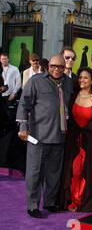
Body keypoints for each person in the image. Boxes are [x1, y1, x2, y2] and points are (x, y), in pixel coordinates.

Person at [16, 54, 73, 218]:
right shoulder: (36, 81)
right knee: (34, 172)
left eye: (61, 66)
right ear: (48, 66)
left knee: (54, 173)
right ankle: (33, 206)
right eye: (54, 66)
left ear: (65, 68)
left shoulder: (68, 83)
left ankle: (49, 202)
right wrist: (23, 126)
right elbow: (24, 103)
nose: (57, 69)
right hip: (38, 135)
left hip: (60, 135)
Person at [58, 67, 92, 212]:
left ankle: (83, 201)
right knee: (73, 171)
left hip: (90, 142)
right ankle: (72, 200)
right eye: (80, 77)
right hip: (73, 141)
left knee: (87, 172)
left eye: (85, 78)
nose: (82, 80)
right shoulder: (73, 95)